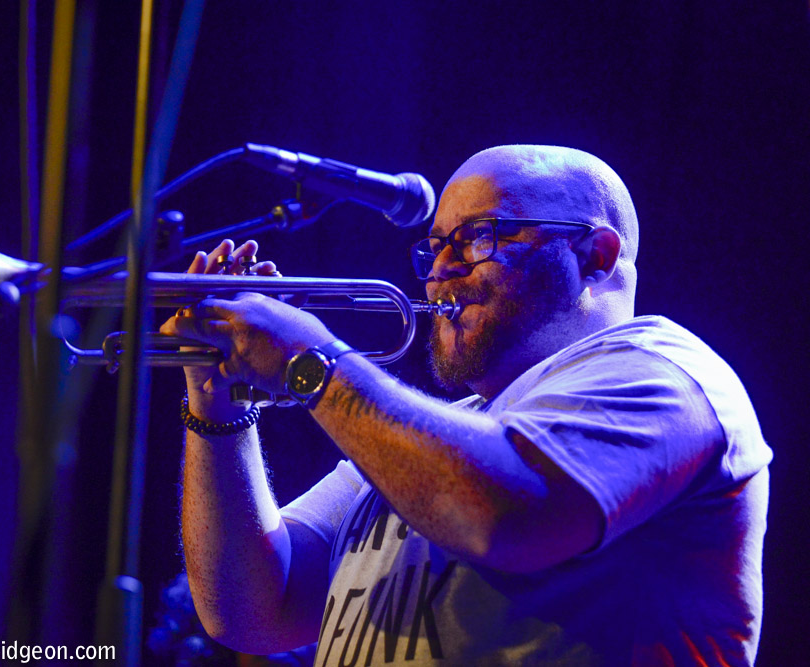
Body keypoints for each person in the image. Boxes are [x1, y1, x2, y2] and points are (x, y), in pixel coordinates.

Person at [161, 145, 771, 666]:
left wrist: (310, 359)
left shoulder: (664, 372)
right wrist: (217, 402)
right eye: (434, 248)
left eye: (478, 236)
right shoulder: (439, 440)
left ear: (596, 255)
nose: (442, 271)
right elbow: (251, 609)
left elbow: (505, 514)